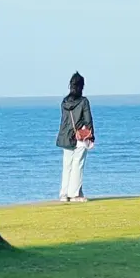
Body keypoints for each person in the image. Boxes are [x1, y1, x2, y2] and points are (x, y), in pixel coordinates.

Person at [56, 72, 95, 203]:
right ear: (81, 86)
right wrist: (91, 136)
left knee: (67, 165)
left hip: (65, 136)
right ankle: (74, 194)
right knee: (78, 164)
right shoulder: (84, 101)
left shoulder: (64, 102)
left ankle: (64, 193)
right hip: (79, 137)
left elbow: (64, 120)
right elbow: (88, 120)